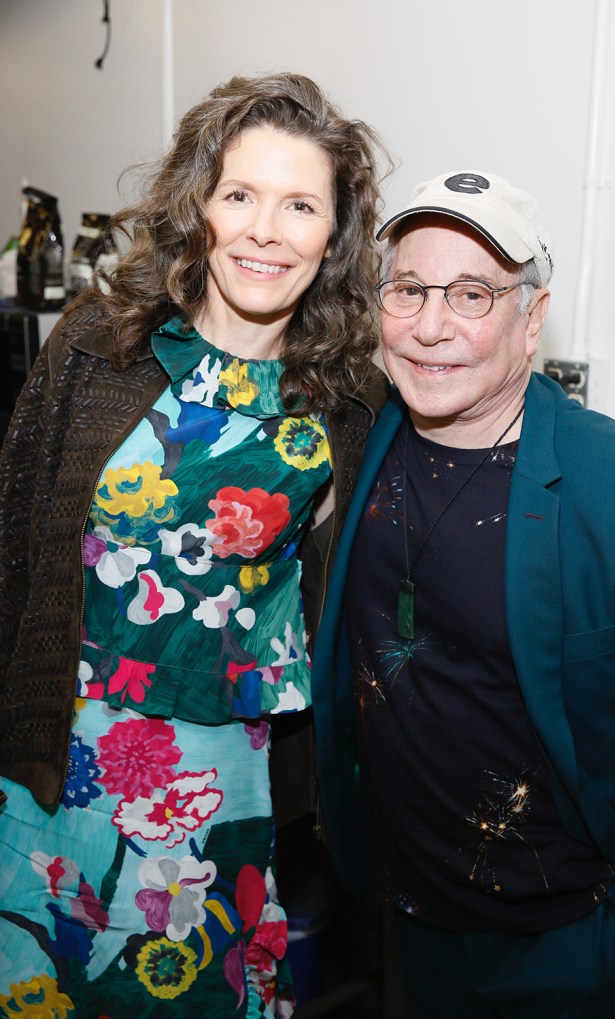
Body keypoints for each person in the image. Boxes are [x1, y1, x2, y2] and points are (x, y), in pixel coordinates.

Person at [0, 72, 389, 1018]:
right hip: (55, 760)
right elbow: (12, 549)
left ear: (333, 236)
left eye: (300, 204)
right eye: (240, 195)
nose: (265, 229)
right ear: (199, 205)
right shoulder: (96, 347)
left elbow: (351, 611)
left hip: (218, 792)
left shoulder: (350, 404)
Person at [311, 170, 615, 1018]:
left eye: (471, 293)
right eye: (408, 288)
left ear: (532, 318)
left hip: (569, 937)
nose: (431, 326)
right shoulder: (356, 434)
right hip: (405, 918)